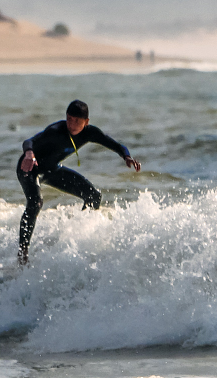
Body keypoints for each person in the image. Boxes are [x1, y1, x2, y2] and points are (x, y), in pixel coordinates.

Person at [15, 99, 140, 265]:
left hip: (52, 170)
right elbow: (29, 141)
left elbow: (112, 143)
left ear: (86, 122)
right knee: (35, 203)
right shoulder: (56, 130)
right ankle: (22, 253)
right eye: (69, 119)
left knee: (94, 196)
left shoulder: (90, 132)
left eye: (77, 121)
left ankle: (80, 237)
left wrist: (126, 156)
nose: (72, 125)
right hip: (29, 168)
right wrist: (29, 154)